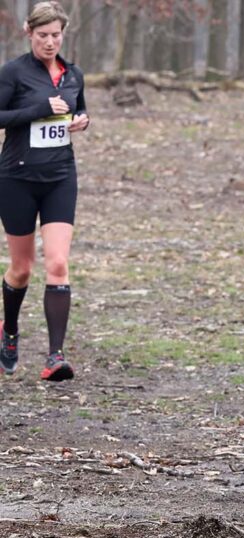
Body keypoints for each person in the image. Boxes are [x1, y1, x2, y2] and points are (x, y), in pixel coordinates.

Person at [0, 1, 88, 381]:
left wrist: (82, 121)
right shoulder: (13, 73)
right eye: (43, 36)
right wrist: (35, 108)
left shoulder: (73, 74)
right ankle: (10, 331)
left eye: (56, 35)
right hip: (17, 179)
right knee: (22, 269)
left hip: (59, 177)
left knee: (57, 263)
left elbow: (77, 110)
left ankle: (55, 357)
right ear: (28, 32)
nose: (50, 42)